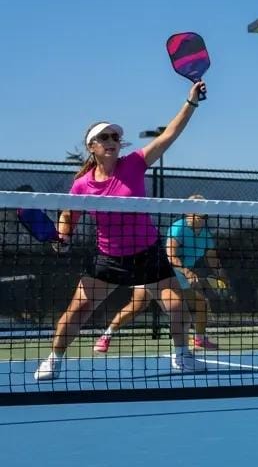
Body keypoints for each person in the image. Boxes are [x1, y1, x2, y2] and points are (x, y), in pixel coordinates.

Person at [34, 82, 208, 381]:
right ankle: (53, 359)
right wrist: (63, 237)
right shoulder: (82, 184)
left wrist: (190, 102)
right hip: (109, 259)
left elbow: (169, 135)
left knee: (177, 307)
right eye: (105, 137)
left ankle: (182, 356)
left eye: (116, 136)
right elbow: (69, 214)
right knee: (76, 313)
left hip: (148, 254)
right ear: (92, 146)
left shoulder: (135, 164)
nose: (112, 140)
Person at [92, 194, 228, 353]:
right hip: (158, 271)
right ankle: (106, 336)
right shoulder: (179, 228)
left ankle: (199, 340)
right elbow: (171, 255)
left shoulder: (205, 234)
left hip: (179, 277)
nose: (202, 214)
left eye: (204, 210)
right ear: (188, 211)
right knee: (137, 305)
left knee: (200, 304)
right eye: (199, 209)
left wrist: (222, 275)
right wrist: (187, 272)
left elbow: (213, 259)